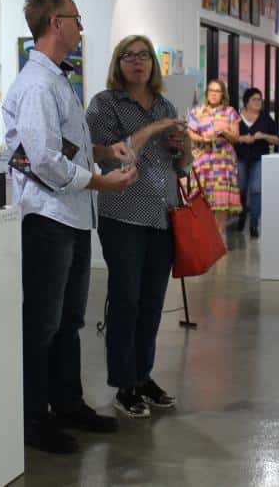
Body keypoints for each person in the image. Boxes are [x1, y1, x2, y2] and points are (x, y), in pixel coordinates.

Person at [3, 0, 137, 455]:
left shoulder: (56, 80)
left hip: (70, 217)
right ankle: (33, 418)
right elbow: (41, 158)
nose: (81, 27)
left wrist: (101, 151)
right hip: (49, 218)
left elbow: (60, 145)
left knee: (68, 321)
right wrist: (101, 182)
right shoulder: (38, 85)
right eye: (76, 18)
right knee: (43, 323)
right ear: (56, 24)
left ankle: (66, 403)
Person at [86, 35, 186, 419]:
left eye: (144, 55)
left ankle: (143, 376)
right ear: (118, 63)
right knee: (126, 300)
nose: (138, 62)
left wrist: (183, 145)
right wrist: (154, 128)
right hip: (123, 214)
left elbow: (182, 165)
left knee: (152, 303)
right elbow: (106, 158)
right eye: (129, 56)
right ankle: (123, 383)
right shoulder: (105, 104)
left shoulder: (165, 104)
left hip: (162, 215)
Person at [187, 80, 241, 242]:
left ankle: (218, 237)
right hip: (202, 161)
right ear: (207, 93)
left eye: (217, 91)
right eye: (211, 90)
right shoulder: (197, 112)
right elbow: (190, 133)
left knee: (221, 199)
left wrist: (224, 131)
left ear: (223, 94)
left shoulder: (230, 112)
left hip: (223, 163)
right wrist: (203, 139)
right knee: (201, 199)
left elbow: (236, 138)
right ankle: (205, 238)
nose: (214, 94)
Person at [235, 88, 279, 239]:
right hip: (239, 158)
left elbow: (277, 139)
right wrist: (242, 139)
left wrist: (264, 136)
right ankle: (242, 214)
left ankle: (254, 223)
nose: (258, 102)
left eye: (260, 99)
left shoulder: (265, 118)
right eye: (254, 99)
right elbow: (230, 137)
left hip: (259, 158)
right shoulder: (236, 117)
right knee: (240, 188)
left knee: (256, 189)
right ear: (246, 101)